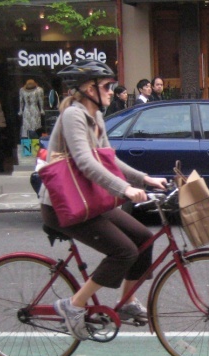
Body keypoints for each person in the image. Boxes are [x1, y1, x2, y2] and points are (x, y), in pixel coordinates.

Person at [41, 60, 168, 340]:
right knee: (124, 251)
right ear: (88, 89)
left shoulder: (96, 115)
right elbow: (85, 162)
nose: (113, 91)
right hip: (64, 205)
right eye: (107, 86)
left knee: (143, 238)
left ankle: (127, 303)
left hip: (88, 199)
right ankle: (73, 306)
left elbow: (108, 158)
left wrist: (144, 179)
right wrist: (124, 190)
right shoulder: (73, 115)